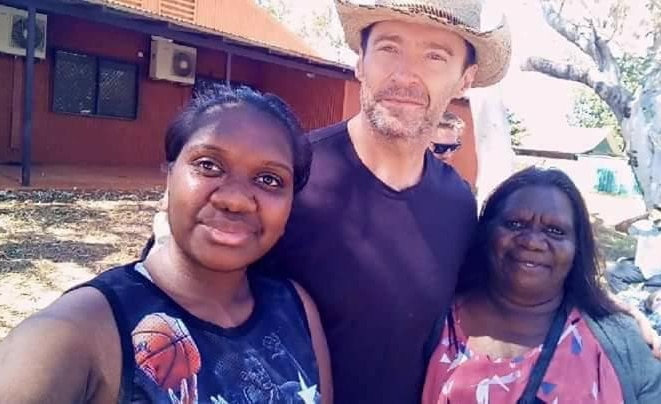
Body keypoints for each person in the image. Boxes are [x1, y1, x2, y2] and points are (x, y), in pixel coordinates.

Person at [0, 86, 332, 404]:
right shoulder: (77, 333)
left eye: (269, 179)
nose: (235, 199)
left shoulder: (295, 308)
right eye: (208, 165)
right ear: (169, 175)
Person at [252, 1, 511, 402]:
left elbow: (494, 304)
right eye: (389, 47)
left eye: (435, 56)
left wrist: (608, 321)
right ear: (360, 60)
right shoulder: (288, 176)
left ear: (465, 80)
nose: (406, 75)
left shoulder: (458, 204)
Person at [421, 167, 661, 403]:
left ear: (577, 247)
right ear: (487, 231)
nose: (533, 242)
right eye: (515, 224)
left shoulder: (620, 340)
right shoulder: (432, 324)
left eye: (555, 231)